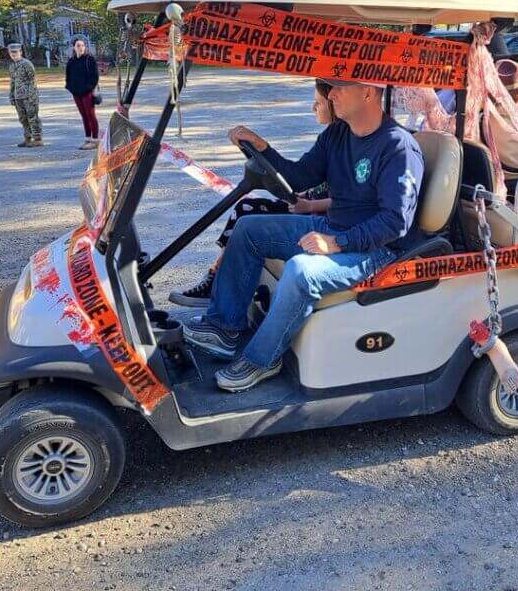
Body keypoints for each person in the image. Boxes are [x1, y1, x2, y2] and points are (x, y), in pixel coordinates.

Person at [181, 79, 425, 392]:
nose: (331, 94)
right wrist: (262, 147)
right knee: (249, 228)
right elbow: (299, 177)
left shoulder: (397, 147)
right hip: (335, 229)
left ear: (367, 91)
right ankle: (224, 326)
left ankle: (262, 360)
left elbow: (395, 222)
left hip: (375, 249)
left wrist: (337, 243)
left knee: (301, 271)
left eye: (338, 87)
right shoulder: (338, 134)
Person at [169, 80, 336, 307]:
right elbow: (300, 175)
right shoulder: (330, 138)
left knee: (247, 216)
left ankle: (220, 287)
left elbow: (348, 199)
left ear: (335, 102)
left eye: (318, 103)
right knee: (245, 209)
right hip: (306, 207)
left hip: (319, 218)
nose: (312, 108)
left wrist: (308, 205)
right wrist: (260, 148)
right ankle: (219, 278)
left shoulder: (353, 143)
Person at [65, 38, 100, 150]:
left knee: (91, 115)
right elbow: (68, 76)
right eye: (78, 45)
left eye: (82, 45)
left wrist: (88, 88)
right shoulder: (71, 61)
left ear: (85, 47)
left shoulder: (89, 60)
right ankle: (87, 138)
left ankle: (95, 140)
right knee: (84, 116)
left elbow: (94, 76)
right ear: (74, 47)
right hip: (76, 93)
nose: (80, 48)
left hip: (87, 93)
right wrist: (70, 87)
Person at [8, 43, 42, 147]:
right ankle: (27, 138)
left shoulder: (27, 64)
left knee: (32, 117)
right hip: (18, 96)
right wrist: (11, 96)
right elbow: (13, 82)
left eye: (16, 52)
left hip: (28, 96)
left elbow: (32, 81)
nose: (14, 54)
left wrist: (32, 96)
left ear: (20, 52)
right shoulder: (12, 66)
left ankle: (37, 139)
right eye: (11, 53)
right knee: (23, 118)